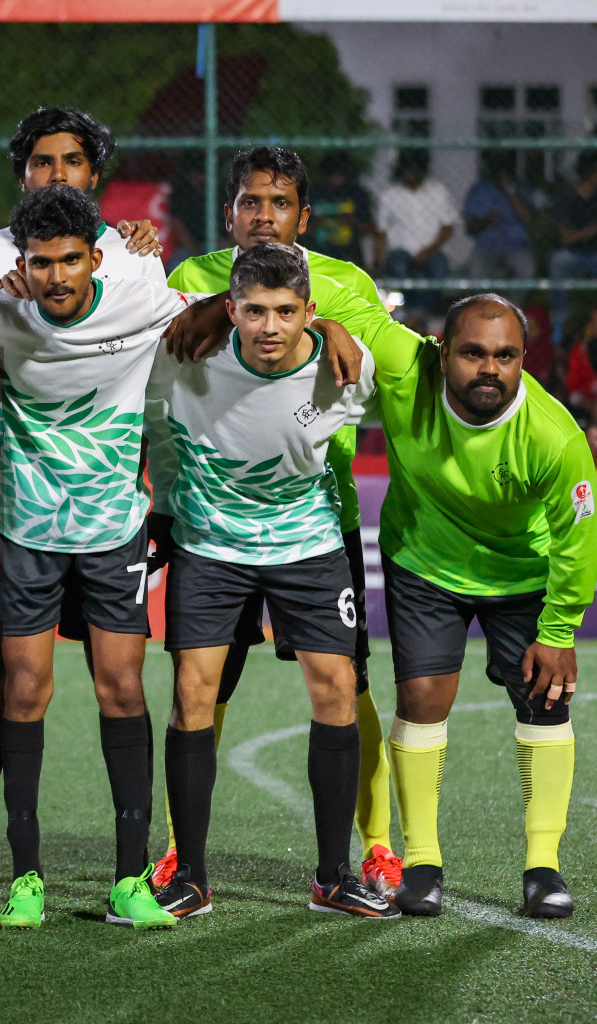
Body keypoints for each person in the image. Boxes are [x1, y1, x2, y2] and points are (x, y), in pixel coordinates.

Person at [296, 285, 597, 918]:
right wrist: (326, 324)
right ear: (441, 352)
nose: (490, 368)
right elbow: (337, 316)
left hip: (520, 573)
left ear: (523, 357)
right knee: (422, 700)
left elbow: (578, 539)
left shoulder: (554, 436)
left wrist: (560, 630)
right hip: (426, 564)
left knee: (544, 703)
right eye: (472, 353)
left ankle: (543, 867)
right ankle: (424, 864)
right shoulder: (407, 364)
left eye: (506, 355)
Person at [0, 184, 192, 930]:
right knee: (24, 693)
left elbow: (218, 312)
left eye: (70, 261)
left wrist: (334, 329)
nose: (55, 277)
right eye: (41, 262)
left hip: (114, 530)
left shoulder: (142, 292)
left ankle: (128, 880)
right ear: (23, 262)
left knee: (122, 690)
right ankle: (26, 880)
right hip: (26, 532)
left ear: (96, 258)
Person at [159, 145, 402, 901]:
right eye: (249, 203)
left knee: (343, 685)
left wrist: (330, 329)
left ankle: (363, 858)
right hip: (209, 531)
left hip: (313, 528)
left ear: (303, 214)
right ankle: (184, 866)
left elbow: (384, 358)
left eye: (280, 203)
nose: (264, 216)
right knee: (199, 690)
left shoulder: (343, 290)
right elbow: (140, 354)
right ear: (229, 211)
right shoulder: (186, 281)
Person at [549, 154, 597, 337]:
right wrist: (596, 227)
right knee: (557, 263)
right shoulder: (568, 198)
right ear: (590, 175)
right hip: (571, 253)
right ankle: (560, 324)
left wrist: (595, 229)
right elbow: (567, 238)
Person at [375, 149, 459, 316]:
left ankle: (419, 313)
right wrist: (377, 260)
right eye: (407, 173)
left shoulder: (438, 191)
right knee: (398, 268)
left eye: (414, 172)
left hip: (432, 250)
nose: (410, 177)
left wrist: (428, 250)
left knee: (439, 270)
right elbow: (381, 231)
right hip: (401, 251)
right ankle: (413, 313)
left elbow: (448, 227)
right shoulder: (390, 195)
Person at [463, 152, 537, 284]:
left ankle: (512, 304)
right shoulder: (479, 190)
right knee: (477, 272)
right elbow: (470, 229)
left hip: (515, 246)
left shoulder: (521, 188)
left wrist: (510, 190)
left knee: (527, 269)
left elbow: (527, 218)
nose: (502, 173)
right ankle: (484, 305)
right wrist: (487, 219)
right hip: (487, 246)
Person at [308, 152, 373, 266]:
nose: (336, 177)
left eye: (340, 173)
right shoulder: (314, 193)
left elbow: (369, 229)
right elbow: (299, 232)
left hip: (349, 252)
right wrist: (318, 223)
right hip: (318, 250)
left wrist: (352, 221)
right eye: (332, 173)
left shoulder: (356, 194)